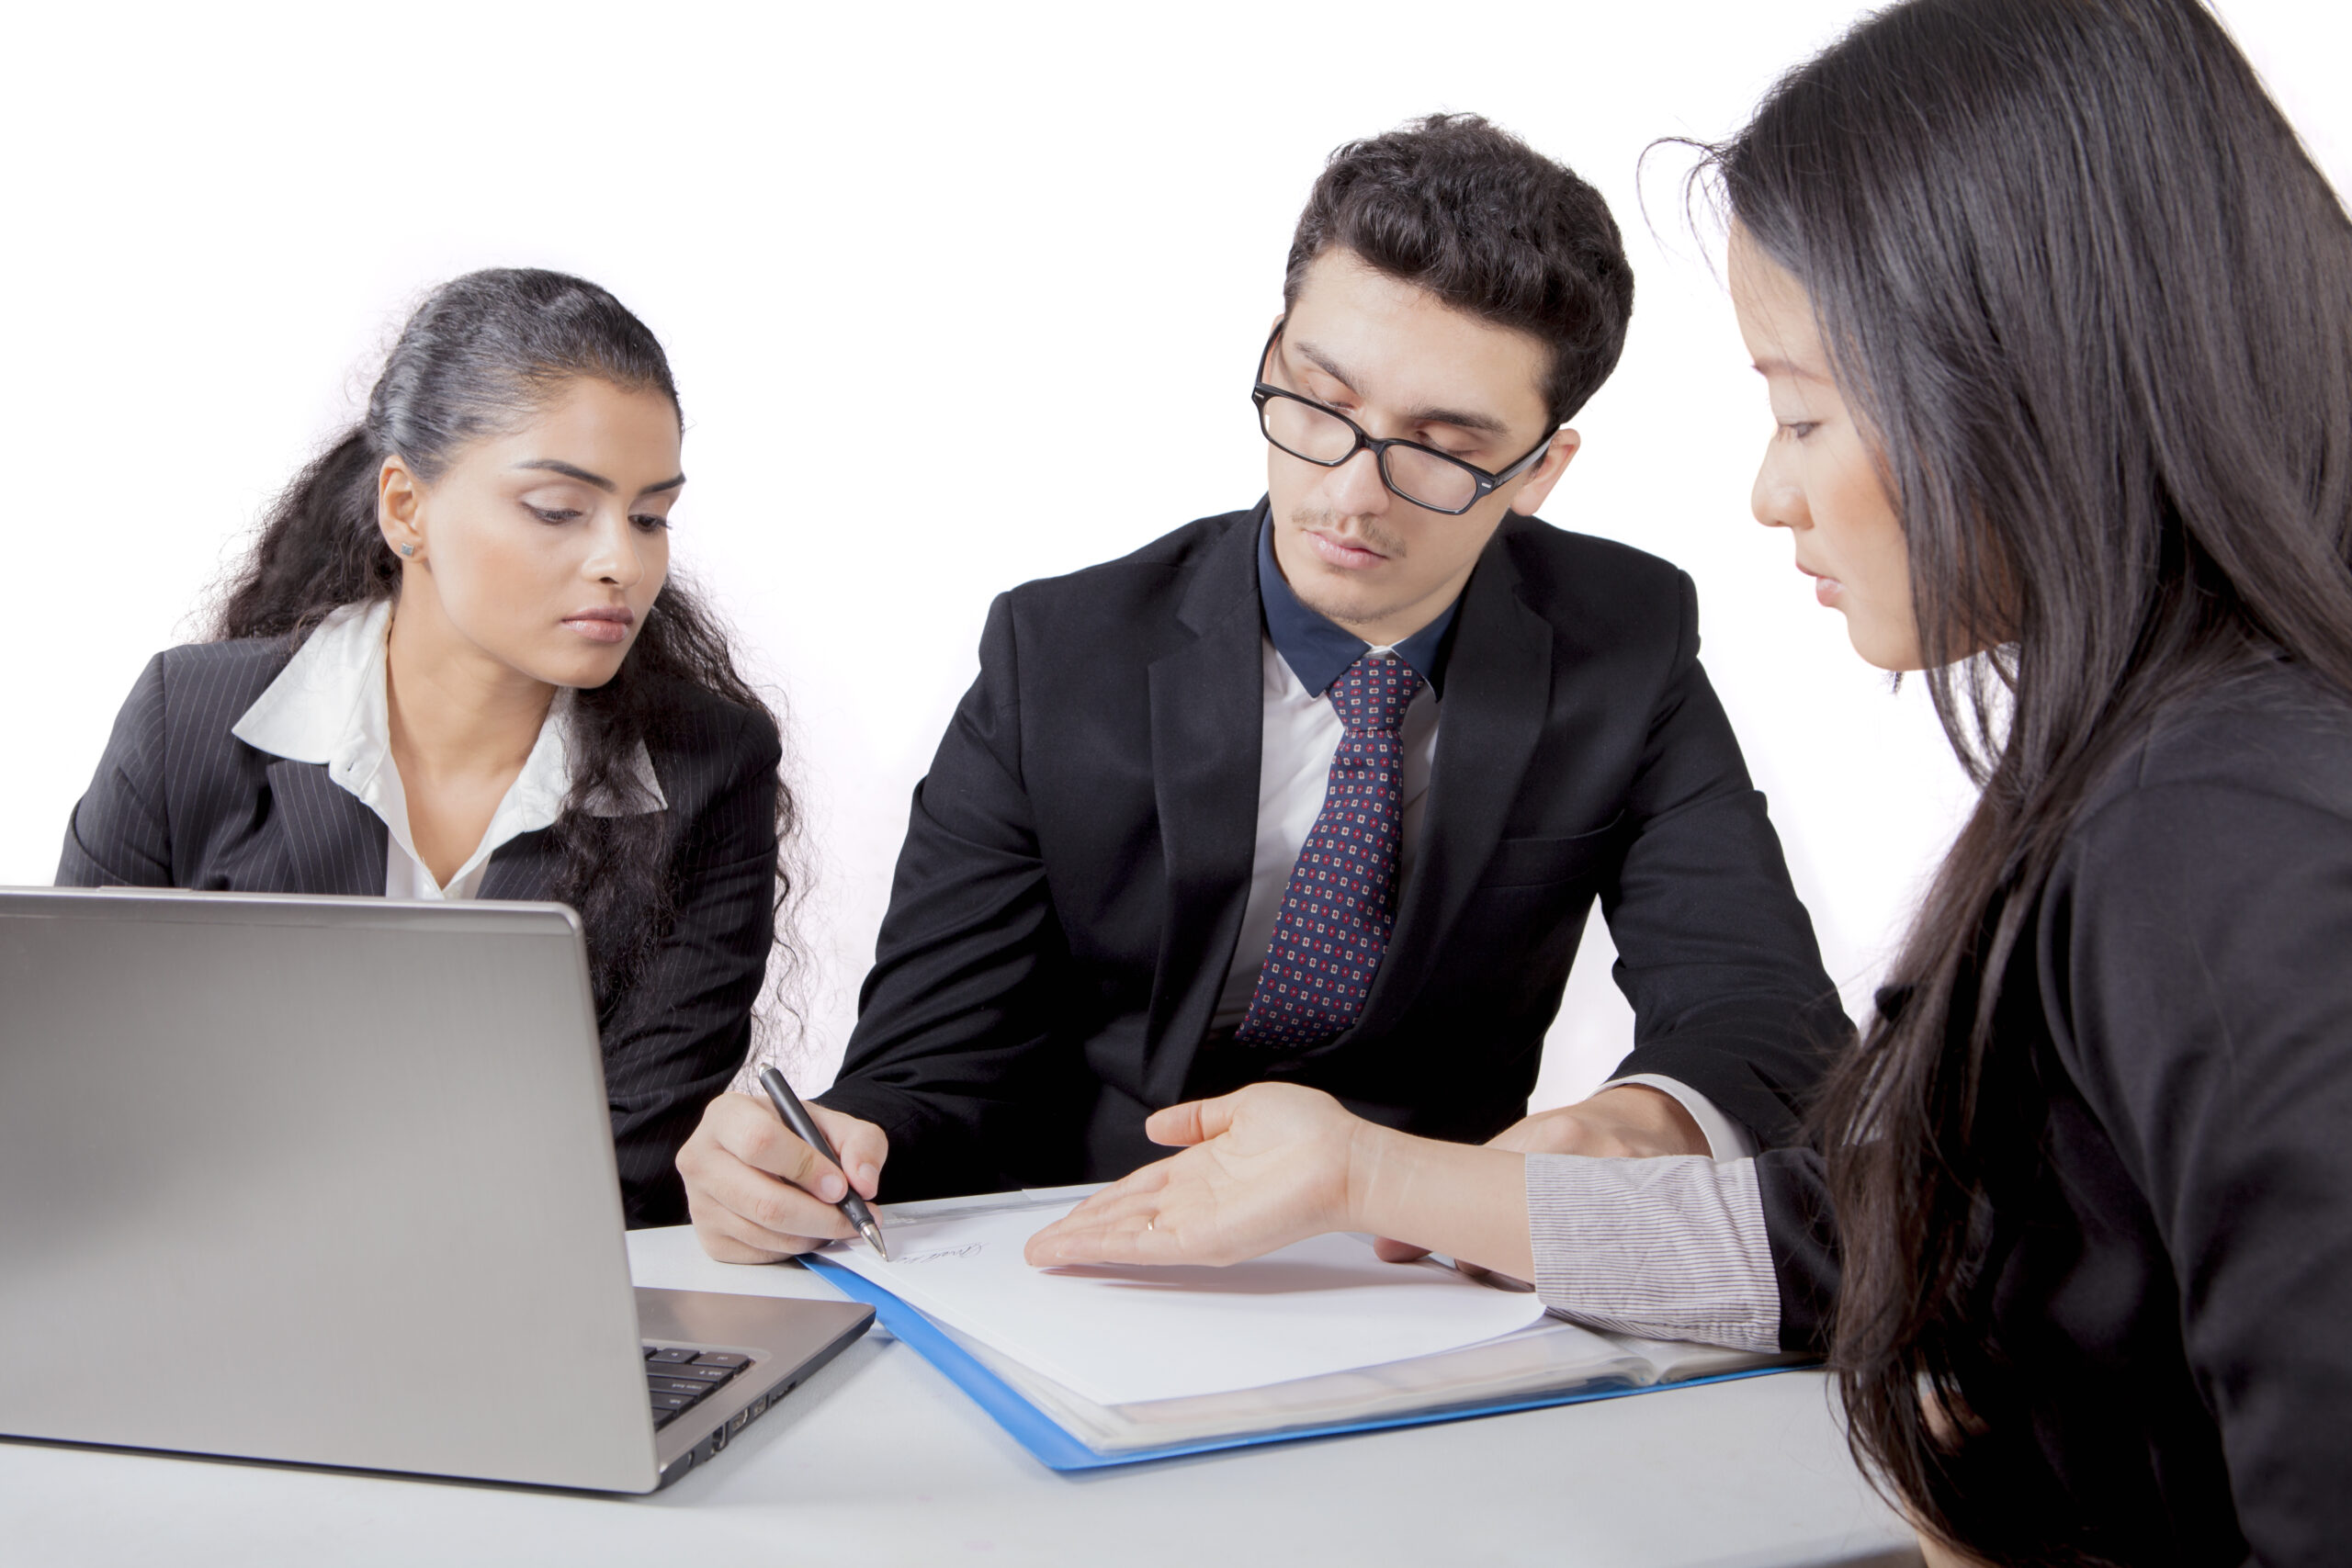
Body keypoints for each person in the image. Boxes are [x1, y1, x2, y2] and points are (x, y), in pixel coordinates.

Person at [1028, 1, 2352, 1562]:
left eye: (1800, 409)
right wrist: (1382, 1175)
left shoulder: (2224, 833)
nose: (1769, 489)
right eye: (1321, 406)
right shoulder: (2162, 775)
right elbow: (1898, 1232)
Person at [681, 114, 1850, 1263]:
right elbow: (929, 1066)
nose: (1350, 495)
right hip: (1080, 1249)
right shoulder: (1058, 656)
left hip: (1425, 1273)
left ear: (1539, 470)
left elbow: (1766, 1018)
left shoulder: (1623, 639)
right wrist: (826, 1155)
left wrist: (1614, 1133)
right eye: (1319, 404)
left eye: (1441, 450)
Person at [59, 268, 795, 1229]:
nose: (622, 558)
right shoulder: (187, 720)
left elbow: (628, 1163)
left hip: (528, 1309)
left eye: (651, 516)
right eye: (557, 509)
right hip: (198, 1290)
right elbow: (71, 1089)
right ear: (406, 509)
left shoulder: (711, 766)